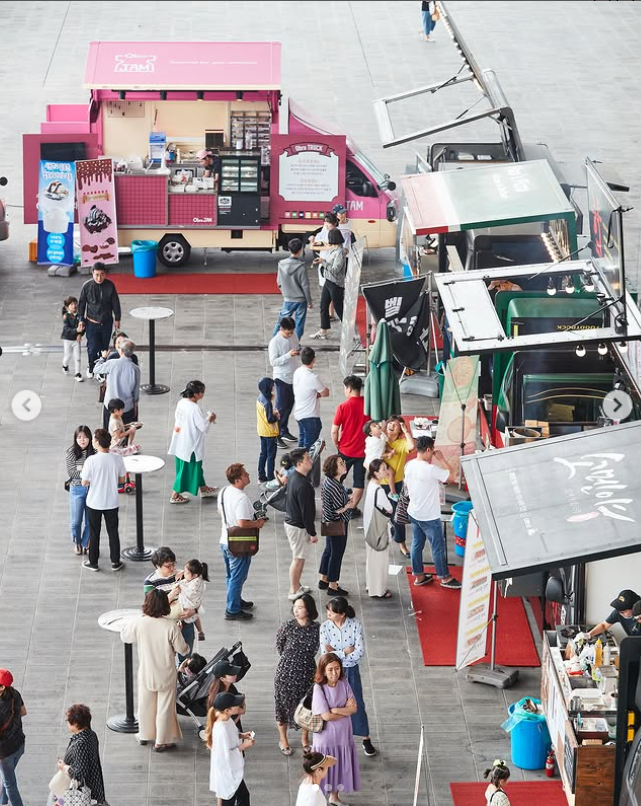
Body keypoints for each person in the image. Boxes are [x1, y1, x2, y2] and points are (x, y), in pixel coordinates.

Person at [120, 589, 189, 752]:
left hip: (146, 672)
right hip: (166, 674)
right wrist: (179, 632)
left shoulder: (139, 622)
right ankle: (162, 741)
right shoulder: (171, 626)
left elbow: (125, 637)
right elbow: (183, 649)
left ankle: (144, 735)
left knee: (145, 705)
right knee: (165, 708)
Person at [320, 597, 377, 757]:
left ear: (342, 614)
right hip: (331, 671)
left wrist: (334, 652)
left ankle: (365, 738)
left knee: (356, 703)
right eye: (328, 611)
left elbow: (359, 652)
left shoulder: (355, 625)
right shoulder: (325, 627)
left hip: (351, 670)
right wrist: (345, 652)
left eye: (331, 612)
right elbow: (325, 655)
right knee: (332, 704)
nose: (328, 614)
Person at [405, 436, 461, 590]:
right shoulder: (430, 469)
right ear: (429, 449)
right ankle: (444, 577)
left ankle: (419, 575)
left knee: (417, 544)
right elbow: (452, 476)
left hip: (414, 511)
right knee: (437, 547)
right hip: (429, 515)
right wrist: (441, 459)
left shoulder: (409, 465)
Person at [311, 653, 361, 806]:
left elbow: (354, 708)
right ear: (323, 671)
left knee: (338, 767)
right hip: (325, 738)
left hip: (343, 736)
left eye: (337, 668)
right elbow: (326, 716)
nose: (334, 673)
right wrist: (344, 710)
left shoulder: (344, 682)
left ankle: (334, 797)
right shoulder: (319, 688)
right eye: (330, 669)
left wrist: (336, 710)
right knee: (322, 769)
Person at [274, 593, 320, 755]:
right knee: (282, 706)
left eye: (300, 607)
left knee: (307, 706)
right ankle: (283, 739)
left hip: (308, 672)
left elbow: (317, 648)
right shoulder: (287, 626)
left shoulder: (317, 628)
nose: (296, 610)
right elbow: (280, 646)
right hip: (286, 672)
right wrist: (291, 659)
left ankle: (305, 738)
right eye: (295, 607)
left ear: (309, 610)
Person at [218, 463, 265, 621]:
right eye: (245, 474)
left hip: (225, 540)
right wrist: (257, 523)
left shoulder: (224, 491)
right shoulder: (241, 498)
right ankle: (232, 609)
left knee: (231, 576)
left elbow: (220, 510)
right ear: (238, 480)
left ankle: (235, 600)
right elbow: (242, 523)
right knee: (238, 577)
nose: (248, 475)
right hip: (238, 545)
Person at [80, 428, 126, 572]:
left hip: (94, 502)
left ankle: (93, 562)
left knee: (94, 532)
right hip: (112, 502)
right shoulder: (117, 458)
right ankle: (115, 562)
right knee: (113, 532)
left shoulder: (91, 460)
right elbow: (122, 480)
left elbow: (84, 483)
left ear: (97, 443)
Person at [167, 380, 219, 504]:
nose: (203, 394)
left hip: (180, 440)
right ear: (196, 394)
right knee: (186, 470)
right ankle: (175, 495)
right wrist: (210, 419)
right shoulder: (194, 408)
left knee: (195, 468)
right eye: (202, 392)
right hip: (191, 445)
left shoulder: (181, 403)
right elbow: (203, 427)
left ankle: (204, 489)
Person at [206, 692, 254, 806]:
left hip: (232, 771)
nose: (239, 706)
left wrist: (241, 735)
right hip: (226, 774)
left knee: (243, 796)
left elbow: (231, 734)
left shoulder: (227, 720)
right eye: (236, 705)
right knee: (231, 800)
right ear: (227, 710)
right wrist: (244, 746)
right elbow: (224, 756)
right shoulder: (221, 730)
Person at [331, 375, 369, 512]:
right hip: (363, 451)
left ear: (349, 389)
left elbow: (334, 431)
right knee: (358, 481)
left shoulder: (343, 406)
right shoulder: (369, 405)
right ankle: (352, 508)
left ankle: (336, 506)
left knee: (337, 477)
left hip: (345, 450)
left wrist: (337, 444)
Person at [284, 448, 318, 599]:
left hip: (292, 522)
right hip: (298, 526)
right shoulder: (303, 484)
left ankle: (297, 585)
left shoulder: (293, 476)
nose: (310, 460)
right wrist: (312, 533)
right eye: (307, 459)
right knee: (298, 559)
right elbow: (307, 512)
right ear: (299, 463)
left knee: (299, 557)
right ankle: (293, 590)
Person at [319, 455, 355, 596]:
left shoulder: (329, 481)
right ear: (334, 469)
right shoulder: (335, 486)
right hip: (337, 524)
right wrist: (348, 505)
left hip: (328, 522)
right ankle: (333, 585)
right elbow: (338, 509)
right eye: (341, 463)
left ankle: (324, 579)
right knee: (336, 554)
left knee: (329, 550)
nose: (344, 464)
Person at [77, 263, 121, 379]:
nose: (99, 278)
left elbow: (115, 303)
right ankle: (91, 366)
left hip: (106, 323)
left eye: (102, 274)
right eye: (96, 275)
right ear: (92, 274)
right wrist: (81, 319)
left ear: (105, 274)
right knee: (92, 347)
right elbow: (81, 304)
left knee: (104, 347)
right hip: (91, 323)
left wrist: (117, 318)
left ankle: (102, 369)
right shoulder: (87, 286)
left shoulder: (110, 286)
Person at [57, 704, 106, 805]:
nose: (67, 723)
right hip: (95, 785)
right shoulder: (91, 734)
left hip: (82, 793)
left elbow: (81, 773)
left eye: (68, 721)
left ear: (75, 723)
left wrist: (64, 767)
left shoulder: (80, 744)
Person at [383, 416, 415, 557]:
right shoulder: (380, 439)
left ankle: (402, 544)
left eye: (395, 425)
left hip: (395, 484)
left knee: (398, 515)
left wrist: (406, 431)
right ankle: (391, 529)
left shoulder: (401, 444)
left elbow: (412, 447)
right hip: (378, 482)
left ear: (400, 430)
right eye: (390, 423)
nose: (391, 426)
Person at [362, 459, 394, 599]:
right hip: (378, 531)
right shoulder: (379, 490)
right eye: (383, 469)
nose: (386, 471)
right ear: (375, 473)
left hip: (369, 528)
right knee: (380, 562)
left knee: (371, 560)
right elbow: (389, 509)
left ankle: (371, 586)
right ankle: (379, 590)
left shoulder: (371, 485)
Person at [93, 339, 141, 430]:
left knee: (108, 432)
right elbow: (136, 392)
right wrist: (135, 404)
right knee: (125, 432)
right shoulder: (135, 369)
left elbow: (96, 369)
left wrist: (103, 358)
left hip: (110, 405)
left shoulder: (112, 363)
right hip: (126, 407)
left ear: (121, 351)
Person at [268, 316, 301, 446]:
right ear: (281, 329)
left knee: (290, 404)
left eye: (292, 332)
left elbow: (296, 346)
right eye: (288, 333)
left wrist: (297, 352)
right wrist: (288, 355)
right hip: (281, 377)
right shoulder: (274, 342)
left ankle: (283, 430)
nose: (290, 335)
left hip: (293, 376)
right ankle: (275, 435)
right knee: (281, 407)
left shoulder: (294, 336)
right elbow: (273, 362)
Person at [311, 228, 347, 340]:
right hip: (328, 280)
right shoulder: (332, 249)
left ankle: (348, 331)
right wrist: (322, 260)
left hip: (336, 283)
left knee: (339, 308)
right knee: (323, 306)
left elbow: (335, 270)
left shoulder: (340, 252)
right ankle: (323, 331)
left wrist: (323, 262)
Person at [274, 238, 312, 339]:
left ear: (289, 249)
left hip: (288, 299)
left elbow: (279, 282)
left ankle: (275, 340)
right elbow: (305, 286)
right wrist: (309, 301)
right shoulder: (301, 267)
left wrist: (285, 293)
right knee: (299, 324)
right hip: (301, 300)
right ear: (300, 250)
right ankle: (295, 343)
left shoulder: (281, 264)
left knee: (281, 321)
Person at [293, 346, 330, 451]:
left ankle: (297, 461)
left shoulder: (297, 372)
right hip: (310, 416)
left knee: (301, 446)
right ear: (314, 359)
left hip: (299, 413)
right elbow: (325, 392)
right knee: (310, 449)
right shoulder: (312, 377)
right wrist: (317, 394)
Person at [66, 425, 95, 555]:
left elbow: (95, 470)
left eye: (85, 437)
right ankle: (77, 542)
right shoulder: (71, 453)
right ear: (75, 438)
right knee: (76, 522)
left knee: (90, 521)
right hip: (76, 490)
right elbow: (72, 473)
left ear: (90, 438)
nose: (82, 440)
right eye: (79, 437)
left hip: (92, 490)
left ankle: (85, 543)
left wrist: (82, 471)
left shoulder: (94, 452)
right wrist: (87, 472)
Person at [0, 669, 26, 806]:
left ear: (2, 687)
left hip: (5, 752)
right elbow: (23, 712)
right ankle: (2, 800)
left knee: (10, 783)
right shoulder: (15, 693)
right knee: (8, 775)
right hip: (19, 744)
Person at [173, 559, 209, 644]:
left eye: (186, 572)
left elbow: (188, 592)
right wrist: (183, 573)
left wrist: (178, 584)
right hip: (196, 606)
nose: (184, 574)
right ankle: (200, 631)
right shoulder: (199, 577)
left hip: (190, 605)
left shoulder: (195, 584)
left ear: (194, 575)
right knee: (195, 616)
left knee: (181, 616)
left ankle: (178, 630)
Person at [207, 660, 246, 732]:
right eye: (231, 674)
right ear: (222, 678)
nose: (235, 674)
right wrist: (240, 712)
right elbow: (225, 725)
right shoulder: (220, 699)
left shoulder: (230, 687)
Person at [363, 420, 397, 495]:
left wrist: (390, 449)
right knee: (386, 474)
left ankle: (392, 492)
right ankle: (392, 493)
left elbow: (384, 444)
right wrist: (389, 454)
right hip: (372, 462)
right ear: (371, 433)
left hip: (377, 460)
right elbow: (379, 454)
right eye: (374, 426)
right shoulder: (373, 442)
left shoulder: (381, 435)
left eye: (376, 424)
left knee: (390, 473)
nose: (377, 425)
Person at [256, 377, 280, 483]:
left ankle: (261, 476)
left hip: (262, 431)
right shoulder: (267, 403)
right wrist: (276, 416)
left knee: (263, 454)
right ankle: (270, 477)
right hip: (270, 432)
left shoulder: (260, 398)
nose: (273, 387)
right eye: (272, 386)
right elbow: (270, 419)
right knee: (271, 456)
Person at [60, 295, 84, 382]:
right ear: (67, 307)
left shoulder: (80, 315)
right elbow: (66, 329)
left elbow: (83, 326)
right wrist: (76, 330)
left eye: (75, 304)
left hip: (76, 340)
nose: (74, 306)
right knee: (68, 355)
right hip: (67, 339)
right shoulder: (66, 316)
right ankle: (65, 365)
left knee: (77, 357)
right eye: (71, 304)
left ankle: (77, 373)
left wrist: (80, 334)